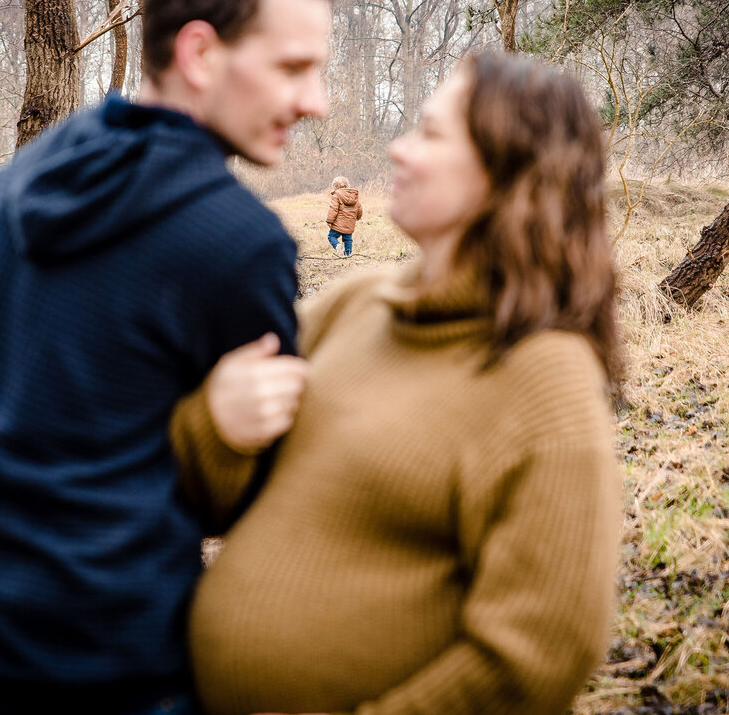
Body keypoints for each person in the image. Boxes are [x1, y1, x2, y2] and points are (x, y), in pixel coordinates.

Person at [0, 0, 332, 715]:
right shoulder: (239, 242)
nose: (315, 101)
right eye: (293, 68)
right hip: (122, 671)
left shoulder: (15, 188)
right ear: (200, 54)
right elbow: (268, 501)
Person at [172, 52, 623, 715]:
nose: (398, 150)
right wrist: (220, 427)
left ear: (510, 171)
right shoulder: (357, 303)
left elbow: (538, 655)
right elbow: (199, 497)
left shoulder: (543, 378)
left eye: (431, 135)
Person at [326, 176, 363, 256]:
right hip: (350, 223)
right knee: (348, 240)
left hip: (338, 224)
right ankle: (348, 254)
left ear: (335, 186)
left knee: (331, 236)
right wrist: (358, 217)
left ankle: (337, 245)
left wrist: (329, 221)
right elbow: (359, 208)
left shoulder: (336, 195)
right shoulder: (354, 196)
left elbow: (333, 209)